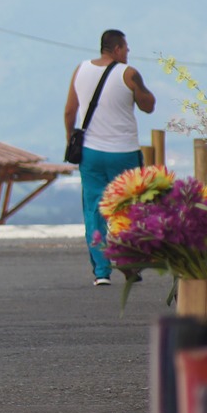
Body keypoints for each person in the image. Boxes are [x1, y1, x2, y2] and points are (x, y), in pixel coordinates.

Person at [65, 29, 156, 286]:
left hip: (91, 154)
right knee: (128, 209)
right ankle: (128, 262)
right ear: (116, 49)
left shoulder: (80, 69)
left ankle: (101, 271)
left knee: (94, 209)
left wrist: (70, 138)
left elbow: (70, 111)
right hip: (124, 154)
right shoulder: (128, 74)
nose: (128, 52)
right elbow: (148, 106)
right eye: (126, 48)